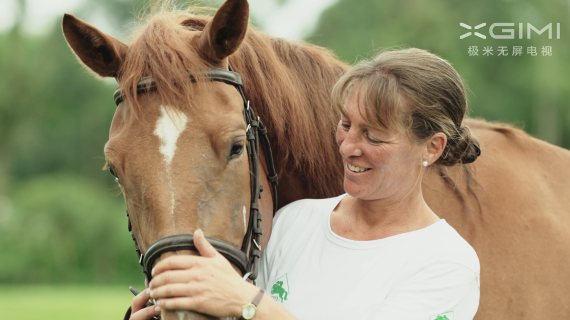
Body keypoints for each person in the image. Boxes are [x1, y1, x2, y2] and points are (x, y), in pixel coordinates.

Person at [131, 48, 481, 320]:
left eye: (373, 136)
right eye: (345, 124)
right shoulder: (293, 222)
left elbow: (247, 307)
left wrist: (250, 304)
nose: (348, 147)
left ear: (432, 148)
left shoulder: (446, 263)